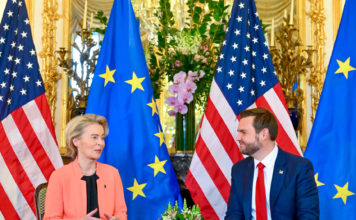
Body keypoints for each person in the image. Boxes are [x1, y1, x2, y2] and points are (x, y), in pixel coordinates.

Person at [225, 108, 319, 220]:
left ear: (264, 134)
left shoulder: (299, 168)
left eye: (243, 132)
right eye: (238, 132)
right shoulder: (239, 170)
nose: (238, 138)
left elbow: (308, 216)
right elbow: (234, 215)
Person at [44, 114, 127, 220]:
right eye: (94, 137)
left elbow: (121, 212)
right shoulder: (59, 176)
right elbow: (51, 218)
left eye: (102, 138)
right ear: (76, 141)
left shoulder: (113, 173)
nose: (100, 143)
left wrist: (117, 219)